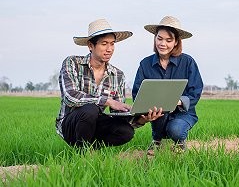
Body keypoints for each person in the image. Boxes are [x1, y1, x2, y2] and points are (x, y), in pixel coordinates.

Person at [56, 18, 163, 149]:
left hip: (95, 125)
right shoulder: (72, 63)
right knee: (91, 109)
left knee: (126, 132)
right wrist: (108, 101)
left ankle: (92, 150)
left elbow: (118, 116)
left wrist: (142, 119)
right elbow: (70, 96)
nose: (109, 49)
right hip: (70, 125)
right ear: (90, 45)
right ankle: (82, 155)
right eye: (104, 44)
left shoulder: (117, 75)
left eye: (112, 44)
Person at [132, 16, 203, 154]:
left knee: (175, 130)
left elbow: (195, 91)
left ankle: (179, 143)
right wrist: (147, 108)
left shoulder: (188, 62)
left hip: (183, 114)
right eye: (159, 38)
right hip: (157, 114)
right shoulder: (145, 64)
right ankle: (157, 140)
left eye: (168, 40)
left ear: (176, 42)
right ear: (155, 39)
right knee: (160, 112)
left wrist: (177, 101)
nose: (163, 43)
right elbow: (137, 93)